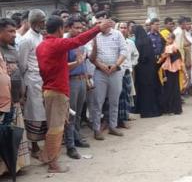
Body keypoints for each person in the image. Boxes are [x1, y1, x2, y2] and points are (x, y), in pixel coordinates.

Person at [36, 15, 113, 173]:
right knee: (56, 129)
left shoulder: (42, 45)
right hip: (57, 91)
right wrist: (98, 28)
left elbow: (61, 67)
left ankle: (47, 157)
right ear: (60, 29)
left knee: (54, 127)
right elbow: (78, 41)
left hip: (50, 90)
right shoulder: (56, 44)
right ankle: (53, 164)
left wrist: (77, 63)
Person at [0, 18, 30, 176]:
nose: (14, 35)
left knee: (14, 133)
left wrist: (22, 92)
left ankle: (15, 166)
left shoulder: (13, 50)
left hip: (15, 100)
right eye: (10, 31)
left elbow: (20, 72)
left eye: (14, 31)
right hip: (2, 102)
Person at [90, 18, 127, 140]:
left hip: (115, 71)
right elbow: (91, 56)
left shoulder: (117, 34)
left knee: (114, 101)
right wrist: (101, 66)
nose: (102, 25)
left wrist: (116, 65)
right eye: (99, 23)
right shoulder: (94, 35)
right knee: (97, 102)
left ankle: (112, 126)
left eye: (103, 22)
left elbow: (124, 51)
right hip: (100, 72)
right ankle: (96, 129)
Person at [18, 9, 47, 158]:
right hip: (31, 80)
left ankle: (42, 145)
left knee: (43, 112)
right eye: (41, 21)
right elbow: (22, 65)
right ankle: (34, 147)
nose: (44, 24)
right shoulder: (26, 39)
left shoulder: (41, 37)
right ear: (34, 22)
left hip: (43, 79)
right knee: (33, 113)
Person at [64, 17, 91, 160]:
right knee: (71, 114)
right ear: (68, 27)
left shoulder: (81, 42)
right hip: (71, 81)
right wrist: (76, 62)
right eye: (76, 28)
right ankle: (70, 145)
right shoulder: (66, 44)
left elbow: (84, 63)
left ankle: (77, 138)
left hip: (81, 80)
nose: (79, 30)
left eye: (81, 28)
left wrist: (86, 80)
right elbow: (63, 67)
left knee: (79, 113)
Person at [134, 25, 162, 118]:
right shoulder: (148, 40)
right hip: (151, 69)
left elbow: (140, 57)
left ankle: (146, 111)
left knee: (144, 91)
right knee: (151, 89)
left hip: (142, 70)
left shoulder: (139, 42)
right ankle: (154, 110)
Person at [116, 22, 139, 128]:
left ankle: (125, 117)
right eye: (121, 27)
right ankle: (116, 120)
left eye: (125, 28)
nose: (123, 29)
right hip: (116, 72)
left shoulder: (130, 42)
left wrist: (132, 64)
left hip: (127, 71)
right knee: (118, 96)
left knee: (127, 96)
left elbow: (136, 55)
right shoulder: (115, 42)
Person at [158, 33, 183, 114]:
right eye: (167, 38)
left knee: (170, 89)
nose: (167, 40)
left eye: (169, 38)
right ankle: (176, 109)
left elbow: (165, 55)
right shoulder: (175, 46)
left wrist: (159, 60)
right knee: (175, 88)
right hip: (174, 69)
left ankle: (171, 109)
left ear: (172, 39)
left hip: (171, 69)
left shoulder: (171, 46)